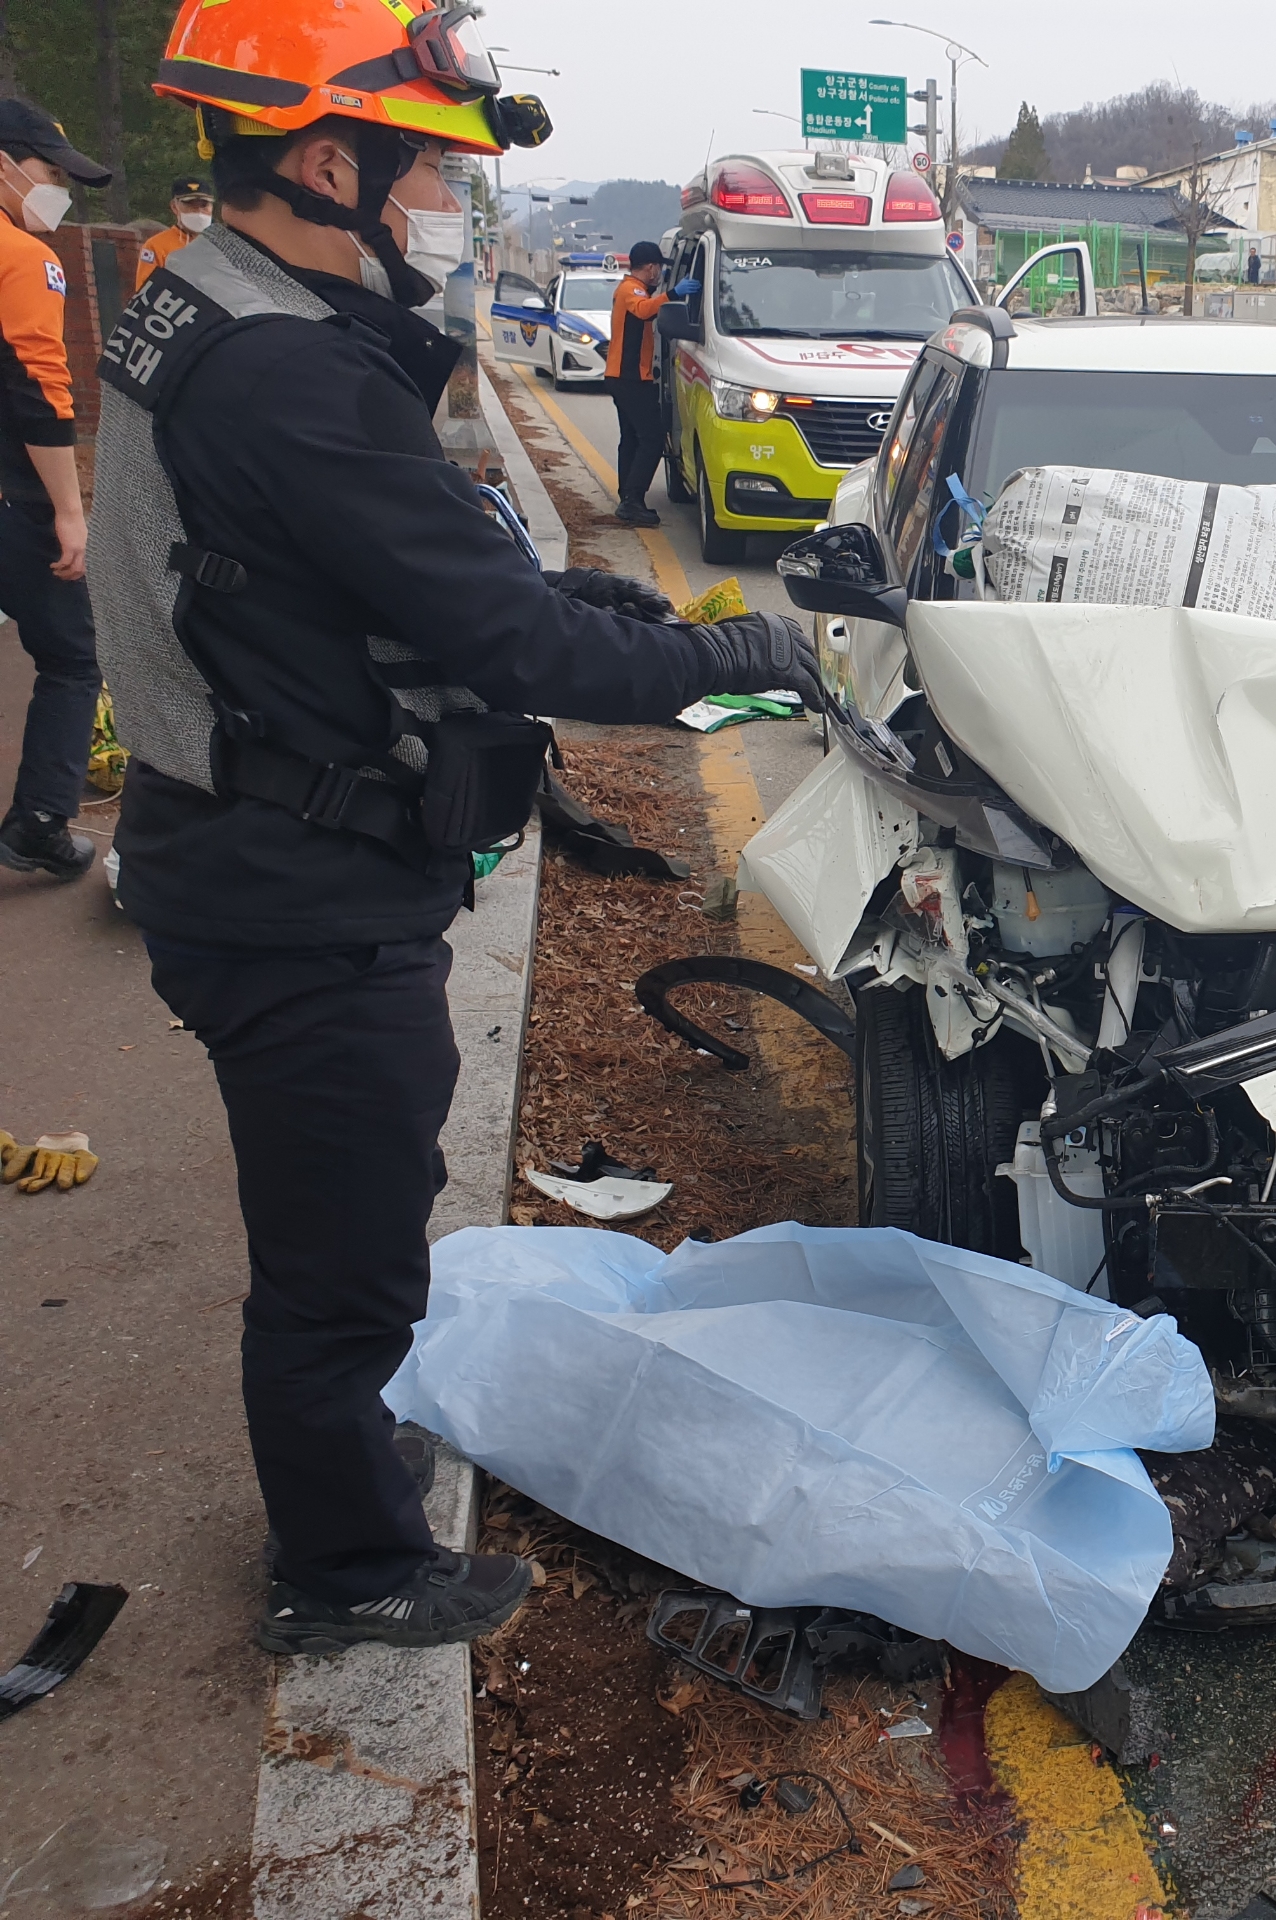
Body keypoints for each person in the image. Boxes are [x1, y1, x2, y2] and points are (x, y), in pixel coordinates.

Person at [97, 0, 827, 1654]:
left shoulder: (214, 302)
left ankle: (350, 1467)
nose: (449, 204)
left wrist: (589, 599)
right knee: (341, 1261)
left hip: (252, 850)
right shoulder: (287, 373)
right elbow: (508, 645)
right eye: (430, 171)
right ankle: (348, 1568)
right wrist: (732, 657)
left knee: (350, 1211)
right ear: (329, 163)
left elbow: (389, 572)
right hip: (294, 891)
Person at [0, 99, 110, 881]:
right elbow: (41, 390)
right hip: (13, 500)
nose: (59, 192)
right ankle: (39, 822)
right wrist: (70, 512)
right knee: (74, 656)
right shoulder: (22, 257)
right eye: (50, 173)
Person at [606, 238, 669, 525]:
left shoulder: (633, 289)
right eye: (659, 268)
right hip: (629, 377)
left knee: (631, 438)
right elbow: (644, 310)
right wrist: (673, 294)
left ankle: (628, 496)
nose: (659, 274)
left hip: (625, 377)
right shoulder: (631, 289)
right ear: (651, 267)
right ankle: (632, 499)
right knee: (652, 438)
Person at [138, 175, 216, 274]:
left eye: (204, 205)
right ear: (174, 206)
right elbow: (146, 283)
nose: (199, 211)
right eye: (190, 204)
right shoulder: (155, 246)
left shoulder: (222, 245)